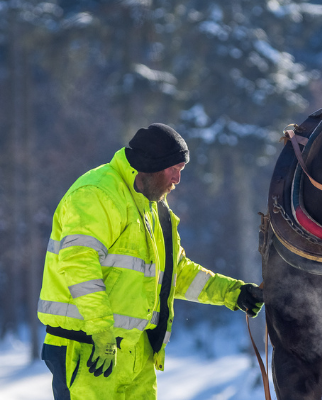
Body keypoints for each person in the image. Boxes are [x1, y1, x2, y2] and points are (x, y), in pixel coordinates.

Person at [37, 123, 264, 400]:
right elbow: (78, 264)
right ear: (151, 165)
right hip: (86, 348)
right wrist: (101, 330)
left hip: (137, 353)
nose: (178, 179)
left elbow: (174, 273)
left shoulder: (156, 209)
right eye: (174, 169)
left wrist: (234, 293)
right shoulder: (96, 193)